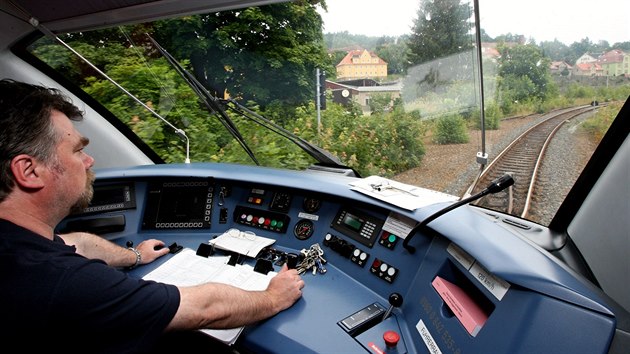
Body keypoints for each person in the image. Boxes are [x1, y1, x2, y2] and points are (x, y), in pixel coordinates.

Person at [0, 79, 305, 353]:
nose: (90, 160)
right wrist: (273, 297)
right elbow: (205, 307)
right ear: (29, 171)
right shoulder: (65, 282)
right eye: (78, 151)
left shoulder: (18, 245)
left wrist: (134, 256)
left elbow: (76, 243)